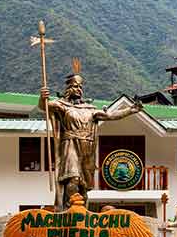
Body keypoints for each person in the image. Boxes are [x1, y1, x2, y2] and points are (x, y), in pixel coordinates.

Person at [39, 58, 142, 210]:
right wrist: (43, 97)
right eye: (75, 86)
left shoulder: (90, 109)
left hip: (88, 148)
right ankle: (69, 209)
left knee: (84, 185)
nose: (78, 89)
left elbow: (110, 116)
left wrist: (130, 110)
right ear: (68, 89)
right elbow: (45, 107)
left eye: (80, 87)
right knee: (72, 179)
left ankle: (83, 211)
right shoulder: (62, 105)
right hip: (70, 144)